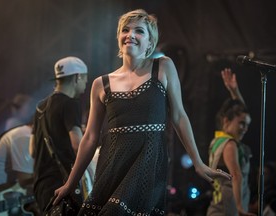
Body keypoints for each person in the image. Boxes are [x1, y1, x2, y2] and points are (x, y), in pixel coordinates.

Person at [53, 9, 231, 215]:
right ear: (119, 38)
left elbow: (179, 116)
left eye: (139, 31)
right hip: (112, 165)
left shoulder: (163, 67)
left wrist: (198, 163)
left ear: (150, 41)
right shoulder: (100, 84)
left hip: (148, 162)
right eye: (125, 30)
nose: (130, 34)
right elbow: (90, 138)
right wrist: (70, 183)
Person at [29, 56, 88, 213]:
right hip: (61, 184)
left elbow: (32, 150)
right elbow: (78, 146)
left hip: (40, 185)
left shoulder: (40, 107)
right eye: (85, 79)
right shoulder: (70, 104)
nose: (86, 84)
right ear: (77, 77)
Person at [206, 68, 255, 216]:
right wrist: (239, 207)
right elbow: (236, 175)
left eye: (247, 125)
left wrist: (234, 91)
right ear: (226, 121)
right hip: (227, 210)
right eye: (241, 124)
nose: (245, 128)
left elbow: (240, 113)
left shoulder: (218, 141)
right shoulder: (229, 144)